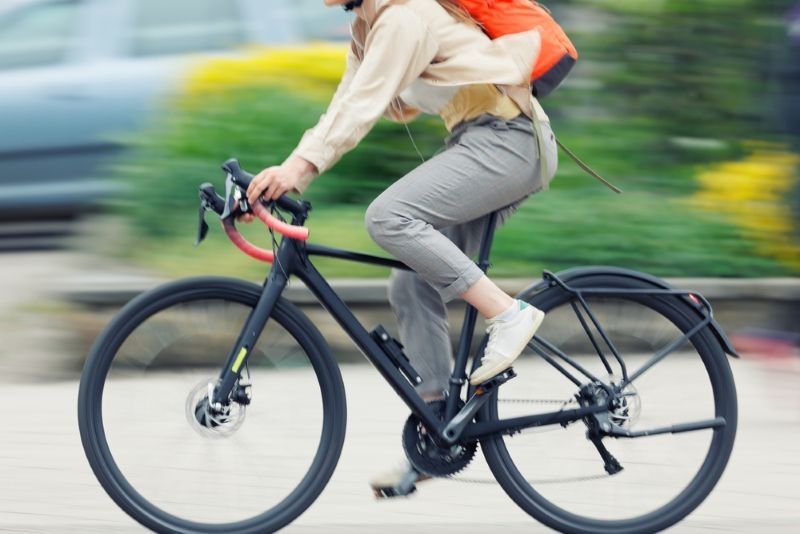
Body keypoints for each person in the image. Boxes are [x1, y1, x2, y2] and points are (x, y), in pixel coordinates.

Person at [245, 0, 558, 494]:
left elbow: (362, 106)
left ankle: (508, 313)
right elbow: (349, 102)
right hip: (479, 141)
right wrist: (281, 176)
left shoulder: (403, 15)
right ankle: (439, 436)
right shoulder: (367, 28)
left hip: (509, 140)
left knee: (388, 217)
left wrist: (298, 169)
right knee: (411, 282)